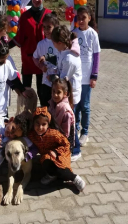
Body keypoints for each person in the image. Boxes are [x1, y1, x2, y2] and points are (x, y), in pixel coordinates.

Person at [9, 0, 52, 102]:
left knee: (43, 93)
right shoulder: (24, 17)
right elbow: (19, 37)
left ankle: (44, 119)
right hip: (28, 60)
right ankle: (27, 119)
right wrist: (4, 46)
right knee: (27, 95)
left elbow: (57, 37)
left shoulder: (49, 15)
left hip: (44, 61)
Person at [27, 107, 86, 191]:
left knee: (60, 168)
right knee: (45, 161)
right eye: (37, 124)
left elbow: (66, 144)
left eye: (43, 124)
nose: (40, 127)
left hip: (61, 153)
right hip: (47, 156)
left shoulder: (53, 134)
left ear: (48, 124)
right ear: (33, 123)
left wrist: (56, 151)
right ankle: (52, 175)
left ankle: (75, 178)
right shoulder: (32, 135)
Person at [51, 25, 82, 162]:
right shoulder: (65, 52)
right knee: (68, 120)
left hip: (71, 94)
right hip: (67, 93)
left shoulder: (70, 58)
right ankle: (68, 145)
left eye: (53, 43)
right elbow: (59, 65)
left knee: (70, 121)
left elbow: (63, 80)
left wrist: (53, 78)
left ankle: (76, 150)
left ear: (59, 43)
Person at [72, 6, 101, 146]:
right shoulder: (74, 33)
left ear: (89, 18)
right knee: (75, 106)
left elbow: (96, 56)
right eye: (79, 17)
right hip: (75, 78)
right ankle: (75, 130)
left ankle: (85, 132)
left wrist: (94, 76)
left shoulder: (93, 34)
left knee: (85, 106)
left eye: (84, 17)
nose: (81, 20)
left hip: (87, 79)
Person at [33, 13, 60, 107]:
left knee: (57, 109)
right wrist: (40, 66)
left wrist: (47, 57)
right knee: (45, 107)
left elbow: (61, 59)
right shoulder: (41, 44)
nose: (46, 30)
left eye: (49, 27)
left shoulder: (59, 42)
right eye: (44, 27)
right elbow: (35, 57)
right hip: (45, 82)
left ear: (56, 27)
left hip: (58, 83)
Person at [48, 78, 76, 155]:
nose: (55, 95)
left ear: (65, 94)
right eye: (53, 91)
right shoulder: (52, 104)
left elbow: (65, 135)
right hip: (55, 138)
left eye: (58, 92)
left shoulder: (66, 112)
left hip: (64, 144)